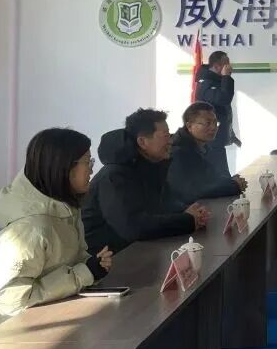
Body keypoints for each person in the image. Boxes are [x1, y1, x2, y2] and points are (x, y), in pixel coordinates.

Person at [0, 128, 112, 346]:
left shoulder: (66, 209)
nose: (91, 169)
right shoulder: (30, 229)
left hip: (28, 330)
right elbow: (10, 299)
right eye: (88, 162)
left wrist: (91, 266)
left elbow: (69, 259)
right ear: (64, 168)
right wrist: (82, 275)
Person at [82, 108, 210, 255]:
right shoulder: (114, 176)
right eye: (166, 136)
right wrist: (188, 220)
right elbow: (133, 227)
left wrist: (190, 211)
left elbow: (165, 203)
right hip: (109, 260)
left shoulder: (152, 166)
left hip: (138, 251)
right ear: (142, 142)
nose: (171, 141)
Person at [168, 102, 248, 205]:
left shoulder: (204, 147)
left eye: (215, 123)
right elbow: (194, 190)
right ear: (189, 126)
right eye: (207, 123)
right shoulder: (178, 152)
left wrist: (232, 182)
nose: (213, 127)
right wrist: (234, 186)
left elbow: (213, 177)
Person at [195, 51, 240, 175]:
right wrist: (226, 77)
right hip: (210, 140)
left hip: (217, 138)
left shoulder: (216, 81)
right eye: (226, 64)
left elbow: (221, 111)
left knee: (222, 174)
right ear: (216, 66)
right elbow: (224, 99)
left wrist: (230, 133)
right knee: (220, 175)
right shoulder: (206, 83)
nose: (229, 67)